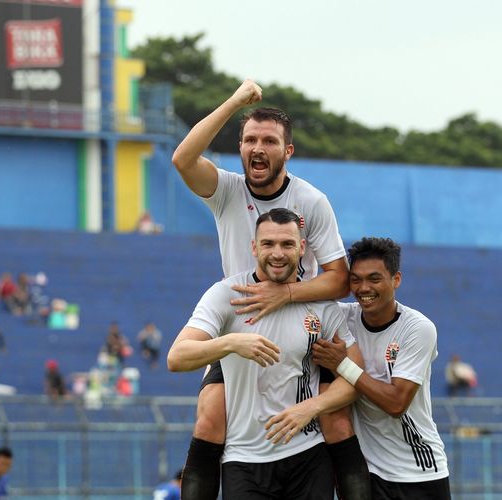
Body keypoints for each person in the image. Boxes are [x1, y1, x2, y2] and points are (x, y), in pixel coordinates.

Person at [171, 80, 367, 498]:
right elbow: (183, 159)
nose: (258, 148)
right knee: (209, 415)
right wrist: (236, 101)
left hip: (303, 325)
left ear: (287, 151)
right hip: (241, 322)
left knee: (334, 420)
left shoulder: (311, 200)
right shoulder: (226, 190)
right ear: (240, 147)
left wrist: (286, 294)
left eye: (269, 141)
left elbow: (339, 278)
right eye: (250, 140)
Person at [168, 209, 364, 499]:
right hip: (245, 459)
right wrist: (232, 343)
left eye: (287, 244)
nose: (277, 253)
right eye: (268, 244)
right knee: (207, 419)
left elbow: (356, 377)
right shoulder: (226, 294)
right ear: (254, 247)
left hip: (307, 455)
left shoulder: (322, 307)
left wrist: (311, 407)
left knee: (340, 421)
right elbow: (177, 357)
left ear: (301, 248)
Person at [308, 237, 451, 499]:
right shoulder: (341, 318)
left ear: (396, 279)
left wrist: (342, 364)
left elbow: (396, 403)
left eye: (374, 279)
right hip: (368, 474)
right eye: (356, 279)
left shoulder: (417, 328)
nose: (364, 288)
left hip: (418, 471)